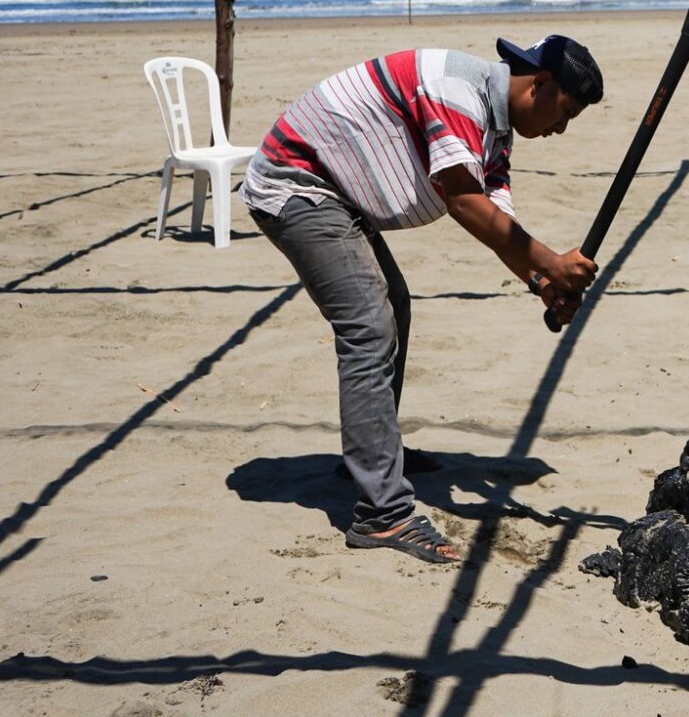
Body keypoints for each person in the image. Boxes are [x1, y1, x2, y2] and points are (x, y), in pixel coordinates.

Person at [241, 37, 603, 564]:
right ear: (540, 83)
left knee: (393, 307)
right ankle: (382, 514)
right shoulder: (457, 91)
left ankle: (376, 454)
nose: (560, 129)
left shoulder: (494, 130)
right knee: (369, 325)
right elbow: (464, 201)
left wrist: (542, 284)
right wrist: (552, 263)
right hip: (298, 183)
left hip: (337, 193)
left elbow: (498, 223)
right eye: (565, 112)